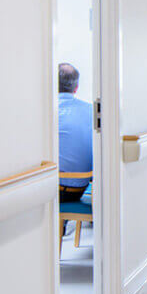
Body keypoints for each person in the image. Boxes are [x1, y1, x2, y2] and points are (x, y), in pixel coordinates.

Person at [57, 63, 93, 202]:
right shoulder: (91, 111)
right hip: (81, 187)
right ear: (76, 88)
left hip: (56, 190)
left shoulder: (48, 112)